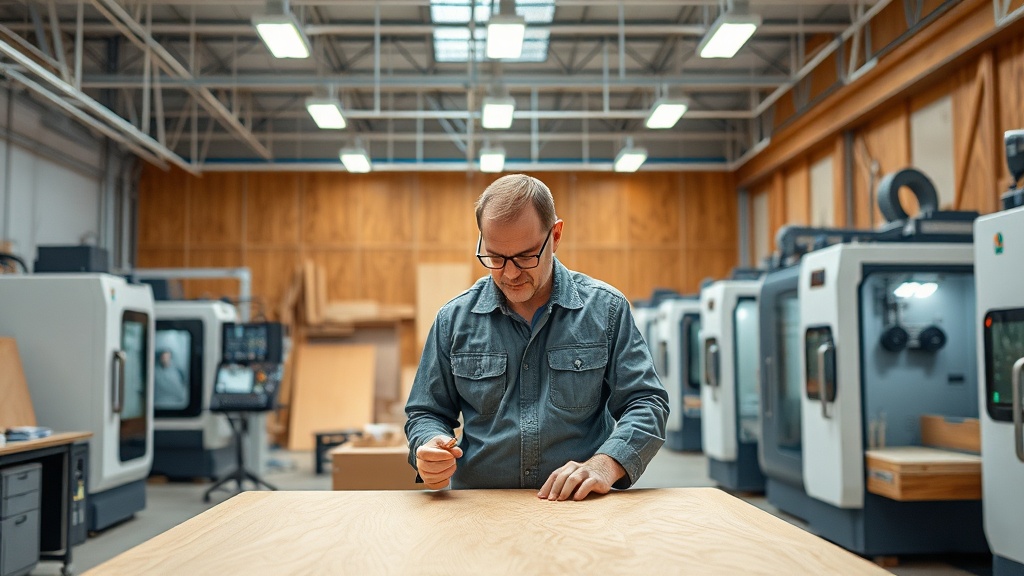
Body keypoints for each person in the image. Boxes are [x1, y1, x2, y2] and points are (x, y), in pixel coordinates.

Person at [405, 174, 669, 502]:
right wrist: (428, 445)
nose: (511, 273)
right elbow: (426, 412)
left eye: (526, 256)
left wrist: (605, 464)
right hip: (480, 511)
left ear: (555, 235)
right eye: (496, 258)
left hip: (576, 508)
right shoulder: (453, 320)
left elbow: (646, 402)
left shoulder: (606, 310)